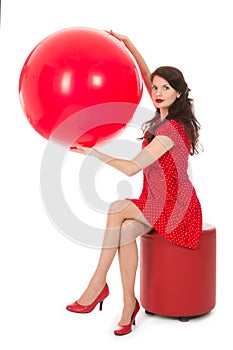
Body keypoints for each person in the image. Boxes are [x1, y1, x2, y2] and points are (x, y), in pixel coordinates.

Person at [66, 31, 202, 335]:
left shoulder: (171, 130)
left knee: (116, 207)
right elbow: (146, 76)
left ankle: (97, 284)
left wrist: (94, 152)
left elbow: (130, 168)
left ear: (178, 93)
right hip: (156, 202)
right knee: (125, 230)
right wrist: (129, 46)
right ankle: (129, 304)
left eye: (166, 88)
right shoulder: (161, 116)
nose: (157, 91)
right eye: (155, 87)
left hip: (177, 208)